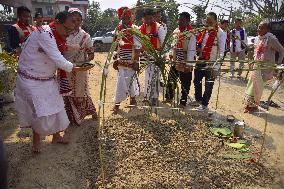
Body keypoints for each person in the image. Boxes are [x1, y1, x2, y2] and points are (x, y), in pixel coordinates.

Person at [14, 11, 89, 153]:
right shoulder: (45, 34)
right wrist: (76, 68)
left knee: (57, 107)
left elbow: (62, 50)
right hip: (32, 81)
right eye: (66, 29)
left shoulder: (56, 34)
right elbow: (58, 58)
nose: (68, 33)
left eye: (71, 30)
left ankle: (56, 136)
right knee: (39, 112)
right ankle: (36, 143)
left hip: (47, 79)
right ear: (57, 23)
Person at [63, 8, 97, 125]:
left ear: (81, 21)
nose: (75, 22)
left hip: (80, 70)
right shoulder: (63, 34)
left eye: (78, 19)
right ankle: (70, 118)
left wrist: (85, 62)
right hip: (65, 69)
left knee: (81, 91)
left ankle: (87, 113)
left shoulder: (85, 36)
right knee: (66, 92)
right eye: (72, 19)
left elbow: (91, 53)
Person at [244, 21, 284, 113]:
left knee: (258, 87)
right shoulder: (258, 38)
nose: (259, 29)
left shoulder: (271, 39)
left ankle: (253, 106)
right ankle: (248, 105)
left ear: (268, 29)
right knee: (251, 85)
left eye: (262, 28)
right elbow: (255, 52)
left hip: (265, 68)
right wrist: (252, 62)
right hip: (256, 66)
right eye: (258, 27)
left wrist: (278, 63)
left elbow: (282, 50)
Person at [194, 12, 226, 111]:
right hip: (201, 59)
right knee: (196, 81)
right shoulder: (204, 31)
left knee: (208, 84)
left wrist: (216, 67)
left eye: (210, 22)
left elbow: (221, 51)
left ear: (216, 21)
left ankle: (204, 104)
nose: (208, 24)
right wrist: (198, 49)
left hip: (211, 62)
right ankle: (198, 100)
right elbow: (200, 44)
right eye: (207, 21)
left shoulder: (220, 33)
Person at [112, 7, 141, 114]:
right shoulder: (118, 29)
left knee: (131, 80)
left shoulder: (135, 29)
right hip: (121, 60)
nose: (126, 19)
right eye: (123, 17)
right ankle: (117, 103)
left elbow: (138, 48)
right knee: (121, 81)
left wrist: (136, 62)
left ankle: (132, 99)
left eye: (128, 17)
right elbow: (114, 47)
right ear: (120, 17)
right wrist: (115, 59)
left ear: (131, 17)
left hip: (132, 60)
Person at [165, 12, 196, 107]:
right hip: (176, 59)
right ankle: (169, 97)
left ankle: (183, 102)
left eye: (182, 20)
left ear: (187, 21)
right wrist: (170, 54)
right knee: (171, 79)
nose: (179, 21)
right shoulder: (177, 30)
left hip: (185, 60)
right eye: (179, 19)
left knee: (185, 83)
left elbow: (191, 50)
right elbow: (172, 44)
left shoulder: (191, 33)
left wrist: (188, 64)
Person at [140, 9, 166, 106]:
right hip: (145, 56)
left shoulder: (159, 28)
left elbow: (163, 43)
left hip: (156, 57)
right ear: (143, 18)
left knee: (155, 77)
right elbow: (139, 43)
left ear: (153, 18)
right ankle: (146, 97)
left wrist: (162, 56)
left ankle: (155, 97)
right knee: (147, 77)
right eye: (146, 19)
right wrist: (142, 52)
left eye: (150, 18)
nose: (148, 20)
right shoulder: (140, 28)